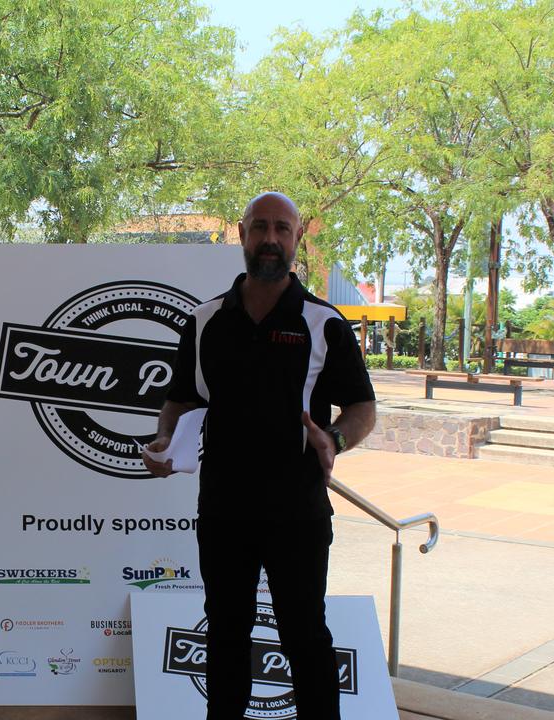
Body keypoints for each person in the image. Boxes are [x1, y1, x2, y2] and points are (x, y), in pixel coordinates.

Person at [142, 191, 376, 720]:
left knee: (304, 635)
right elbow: (181, 397)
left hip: (298, 511)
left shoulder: (324, 323)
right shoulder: (204, 322)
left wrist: (334, 440)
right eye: (261, 228)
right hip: (223, 509)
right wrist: (163, 440)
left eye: (283, 229)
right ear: (242, 234)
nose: (271, 239)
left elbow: (362, 406)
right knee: (225, 632)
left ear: (296, 240)